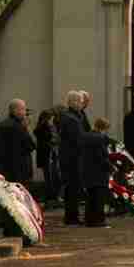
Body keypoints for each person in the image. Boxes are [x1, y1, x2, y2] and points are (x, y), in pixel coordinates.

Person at [80, 117, 115, 228]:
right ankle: (99, 221)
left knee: (90, 198)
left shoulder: (85, 136)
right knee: (99, 198)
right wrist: (111, 167)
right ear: (103, 128)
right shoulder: (99, 138)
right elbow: (102, 157)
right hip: (99, 173)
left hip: (87, 171)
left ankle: (89, 220)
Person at [0, 99, 35, 186]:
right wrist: (26, 129)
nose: (25, 113)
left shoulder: (1, 125)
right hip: (18, 170)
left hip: (3, 169)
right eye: (23, 109)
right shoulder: (19, 127)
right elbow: (31, 146)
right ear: (15, 110)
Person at [59, 91, 85, 225]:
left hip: (71, 157)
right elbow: (77, 140)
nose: (82, 104)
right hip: (72, 159)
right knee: (72, 188)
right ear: (73, 102)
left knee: (73, 188)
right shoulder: (71, 119)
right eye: (80, 101)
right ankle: (71, 217)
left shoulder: (71, 117)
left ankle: (72, 216)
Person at [34, 110, 58, 202]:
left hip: (48, 155)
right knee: (50, 178)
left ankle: (51, 196)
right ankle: (51, 197)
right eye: (51, 117)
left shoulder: (45, 127)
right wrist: (54, 141)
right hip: (48, 155)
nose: (53, 119)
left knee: (50, 177)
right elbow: (50, 140)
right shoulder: (44, 127)